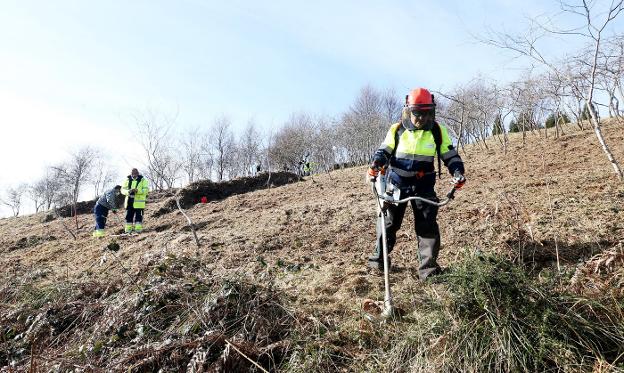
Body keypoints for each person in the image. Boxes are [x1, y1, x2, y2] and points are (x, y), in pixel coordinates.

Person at [367, 88, 466, 280]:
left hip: (423, 186)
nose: (420, 117)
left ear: (431, 111)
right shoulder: (396, 130)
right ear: (408, 111)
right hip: (396, 184)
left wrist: (457, 171)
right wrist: (376, 164)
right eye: (416, 113)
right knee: (388, 223)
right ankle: (378, 261)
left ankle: (428, 271)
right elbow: (384, 150)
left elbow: (449, 154)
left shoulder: (437, 131)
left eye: (425, 113)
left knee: (427, 226)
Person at [121, 168, 149, 233]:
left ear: (138, 173)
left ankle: (138, 230)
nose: (134, 175)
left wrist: (137, 191)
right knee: (128, 217)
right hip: (129, 202)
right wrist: (128, 191)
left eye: (135, 173)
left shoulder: (143, 180)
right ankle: (128, 231)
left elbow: (146, 190)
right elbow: (122, 190)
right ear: (131, 173)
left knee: (138, 217)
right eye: (132, 173)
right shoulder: (127, 180)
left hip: (139, 203)